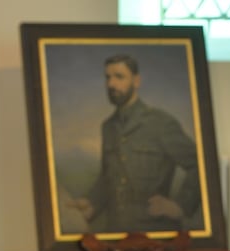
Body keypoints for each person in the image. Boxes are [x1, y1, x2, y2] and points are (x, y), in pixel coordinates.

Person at [70, 54, 202, 234]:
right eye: (108, 77)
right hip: (116, 230)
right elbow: (109, 178)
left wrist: (180, 206)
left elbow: (200, 163)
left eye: (119, 76)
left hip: (155, 232)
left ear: (136, 81)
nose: (111, 84)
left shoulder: (160, 123)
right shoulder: (108, 127)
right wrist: (90, 203)